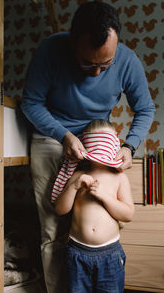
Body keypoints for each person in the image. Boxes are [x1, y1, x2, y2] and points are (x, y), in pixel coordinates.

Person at [21, 0, 155, 293]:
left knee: (105, 215)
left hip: (98, 138)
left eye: (105, 65)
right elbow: (30, 102)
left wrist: (129, 146)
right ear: (72, 43)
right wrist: (63, 135)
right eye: (88, 64)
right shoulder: (51, 50)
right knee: (53, 228)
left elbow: (145, 109)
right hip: (52, 134)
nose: (96, 73)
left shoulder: (127, 60)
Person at [54, 119, 134, 293]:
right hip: (77, 253)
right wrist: (73, 186)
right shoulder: (78, 175)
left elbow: (128, 214)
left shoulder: (119, 177)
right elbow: (60, 209)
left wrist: (106, 197)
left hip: (110, 255)